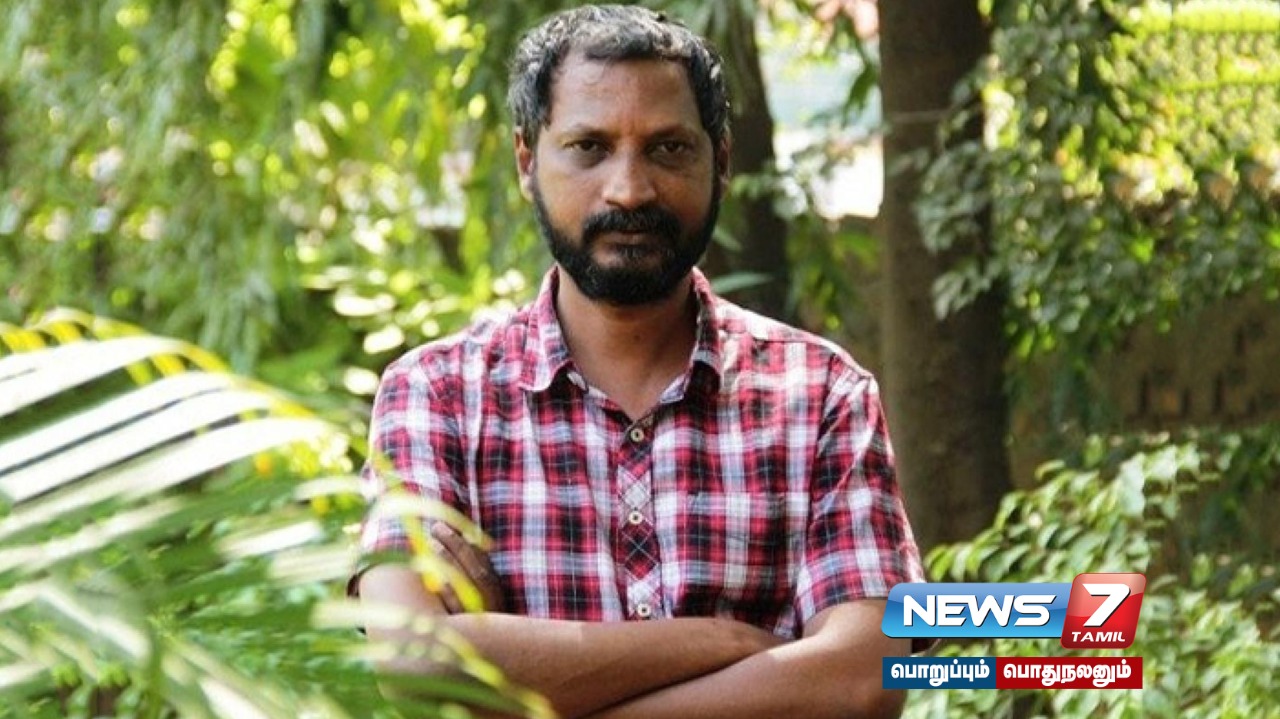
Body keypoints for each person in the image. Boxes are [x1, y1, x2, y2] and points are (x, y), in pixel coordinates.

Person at [353, 5, 927, 718]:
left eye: (668, 149)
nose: (629, 189)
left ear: (720, 161)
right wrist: (723, 641)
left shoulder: (821, 395)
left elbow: (861, 679)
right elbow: (416, 661)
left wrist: (525, 679)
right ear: (527, 162)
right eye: (588, 147)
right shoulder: (436, 395)